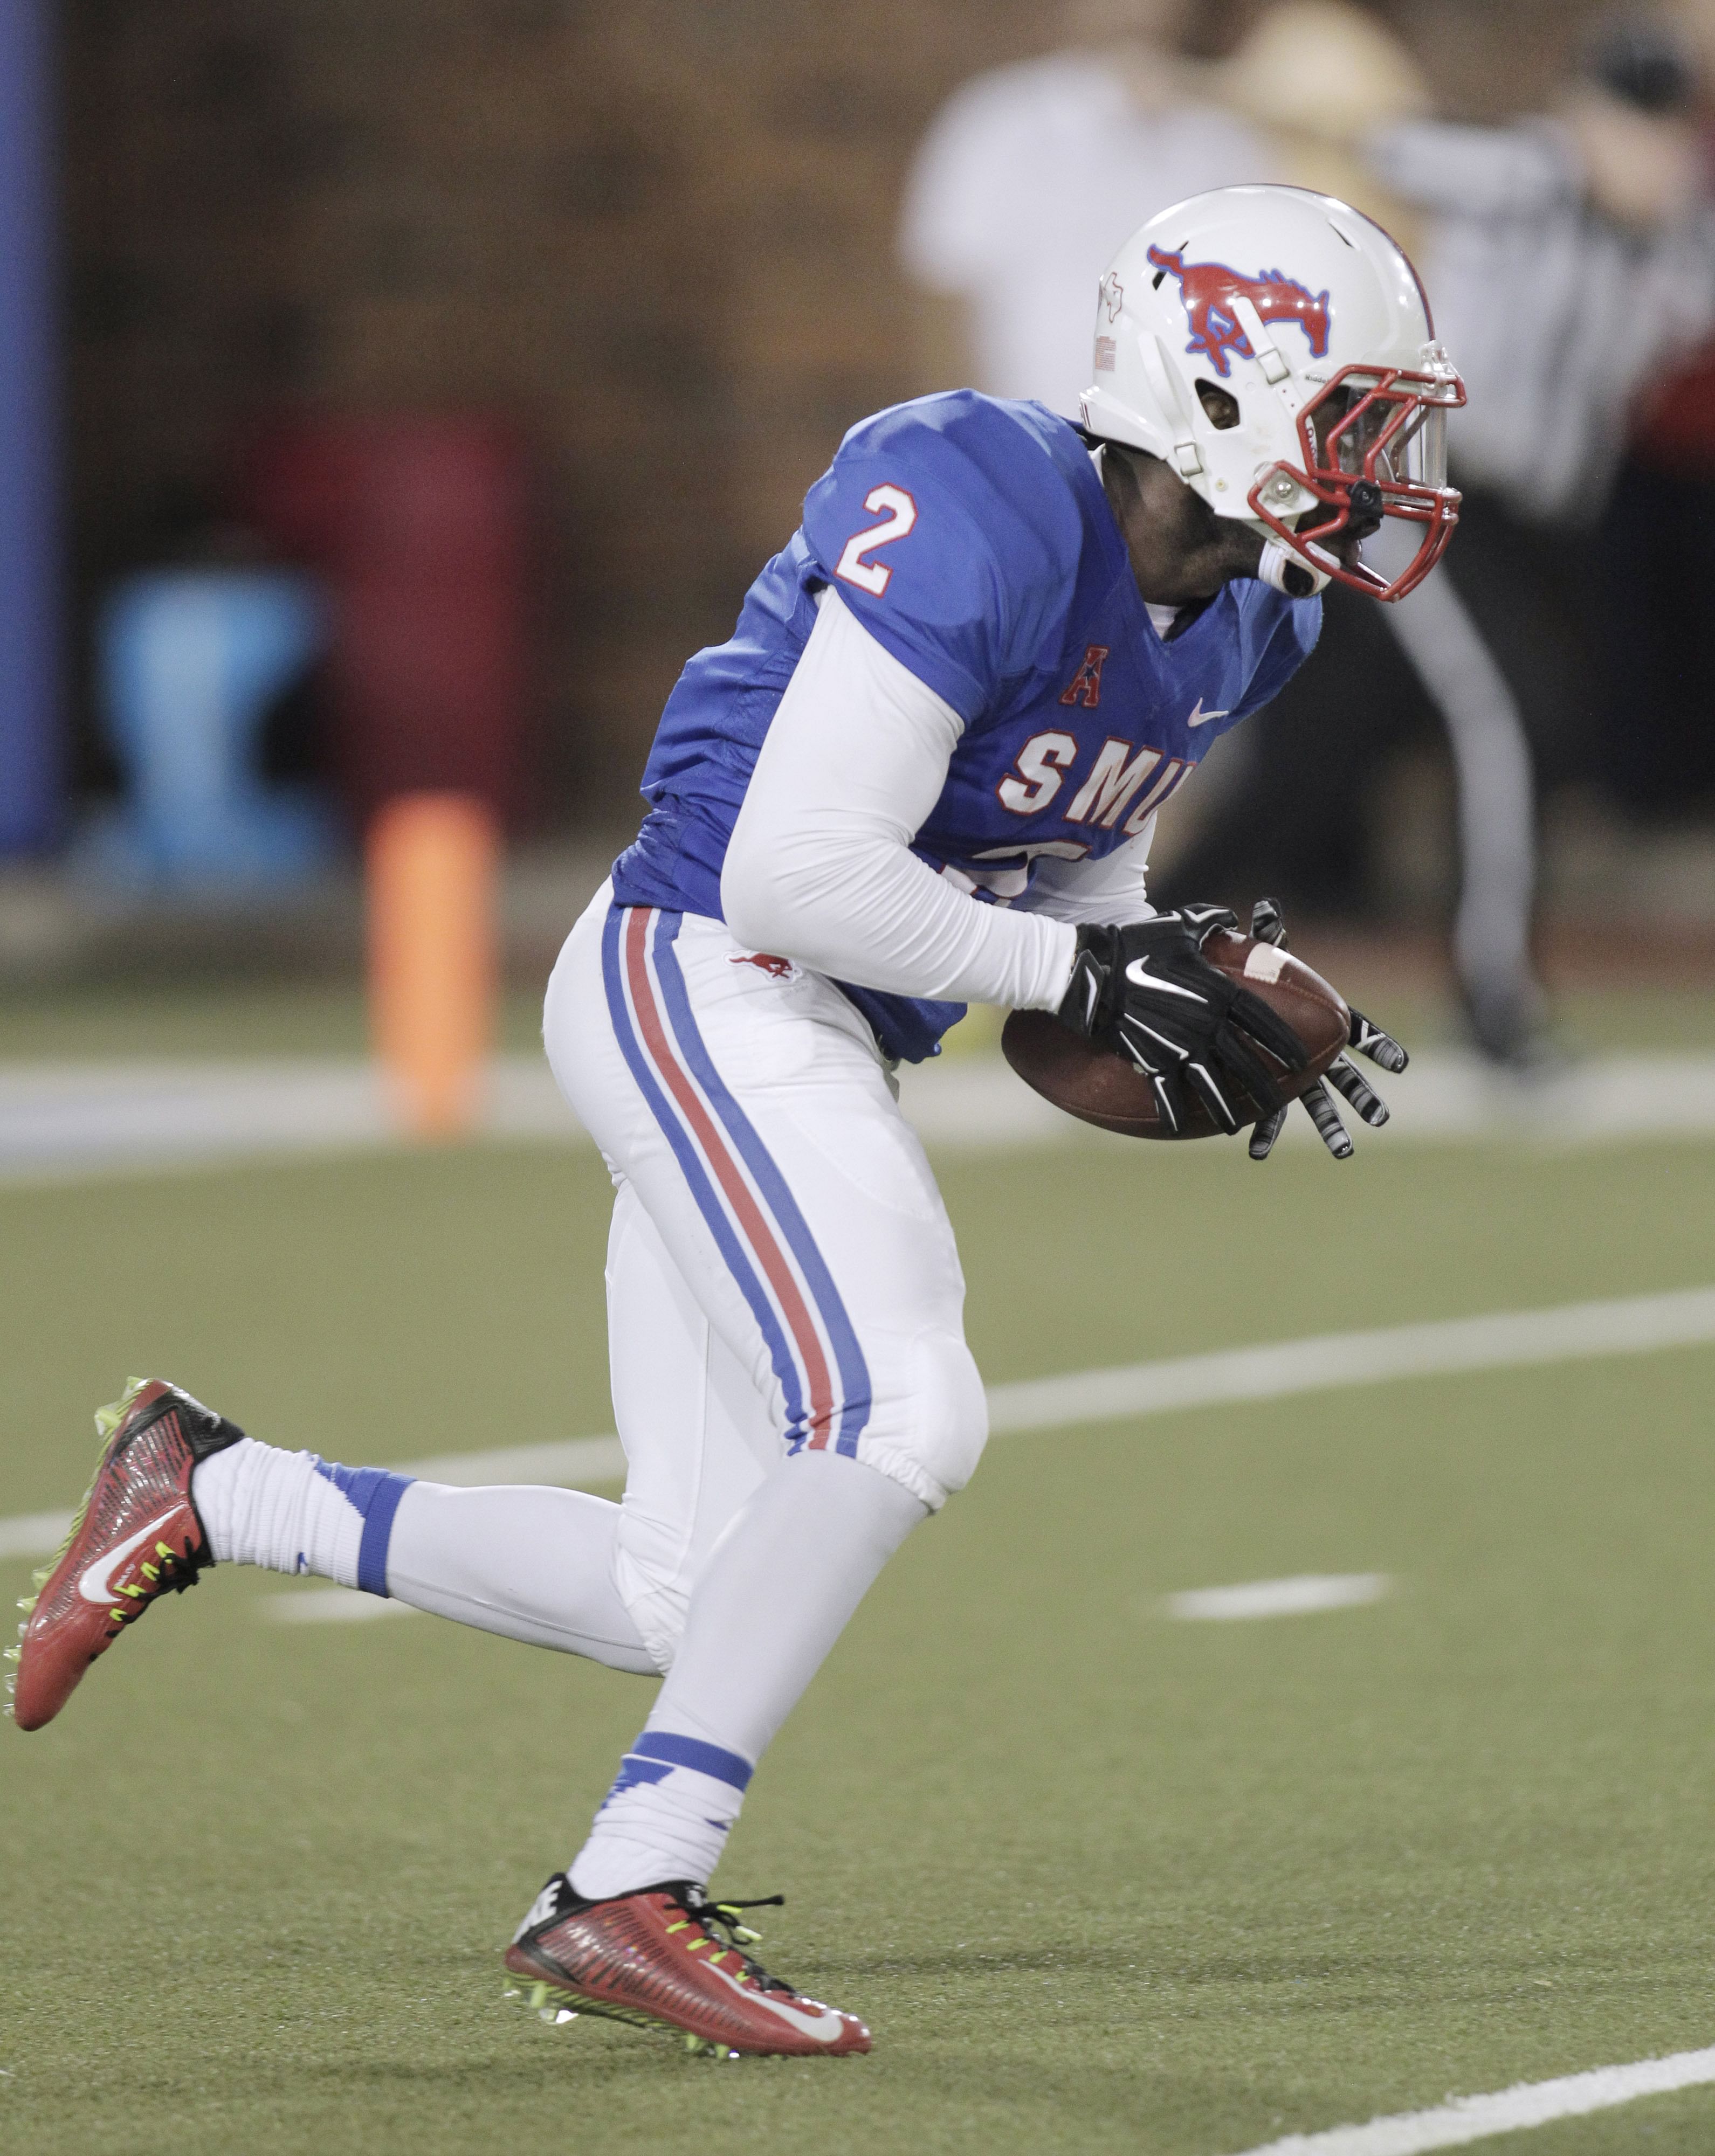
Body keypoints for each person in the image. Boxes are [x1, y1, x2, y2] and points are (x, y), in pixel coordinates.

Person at [9, 184, 1427, 2060]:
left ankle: (205, 1483)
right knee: (902, 1403)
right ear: (1217, 390)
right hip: (712, 969)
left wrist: (1159, 973)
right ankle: (623, 1882)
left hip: (814, 1021)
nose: (1392, 464)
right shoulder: (984, 493)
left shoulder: (1253, 619)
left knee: (680, 1588)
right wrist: (1089, 982)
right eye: (1358, 417)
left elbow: (1071, 874)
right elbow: (798, 868)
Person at [903, 0, 1551, 1065]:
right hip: (1029, 489)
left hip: (1181, 493)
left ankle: (1070, 965)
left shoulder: (1228, 137)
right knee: (965, 738)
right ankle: (970, 962)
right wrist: (954, 469)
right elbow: (940, 302)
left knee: (1132, 758)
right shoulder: (1003, 123)